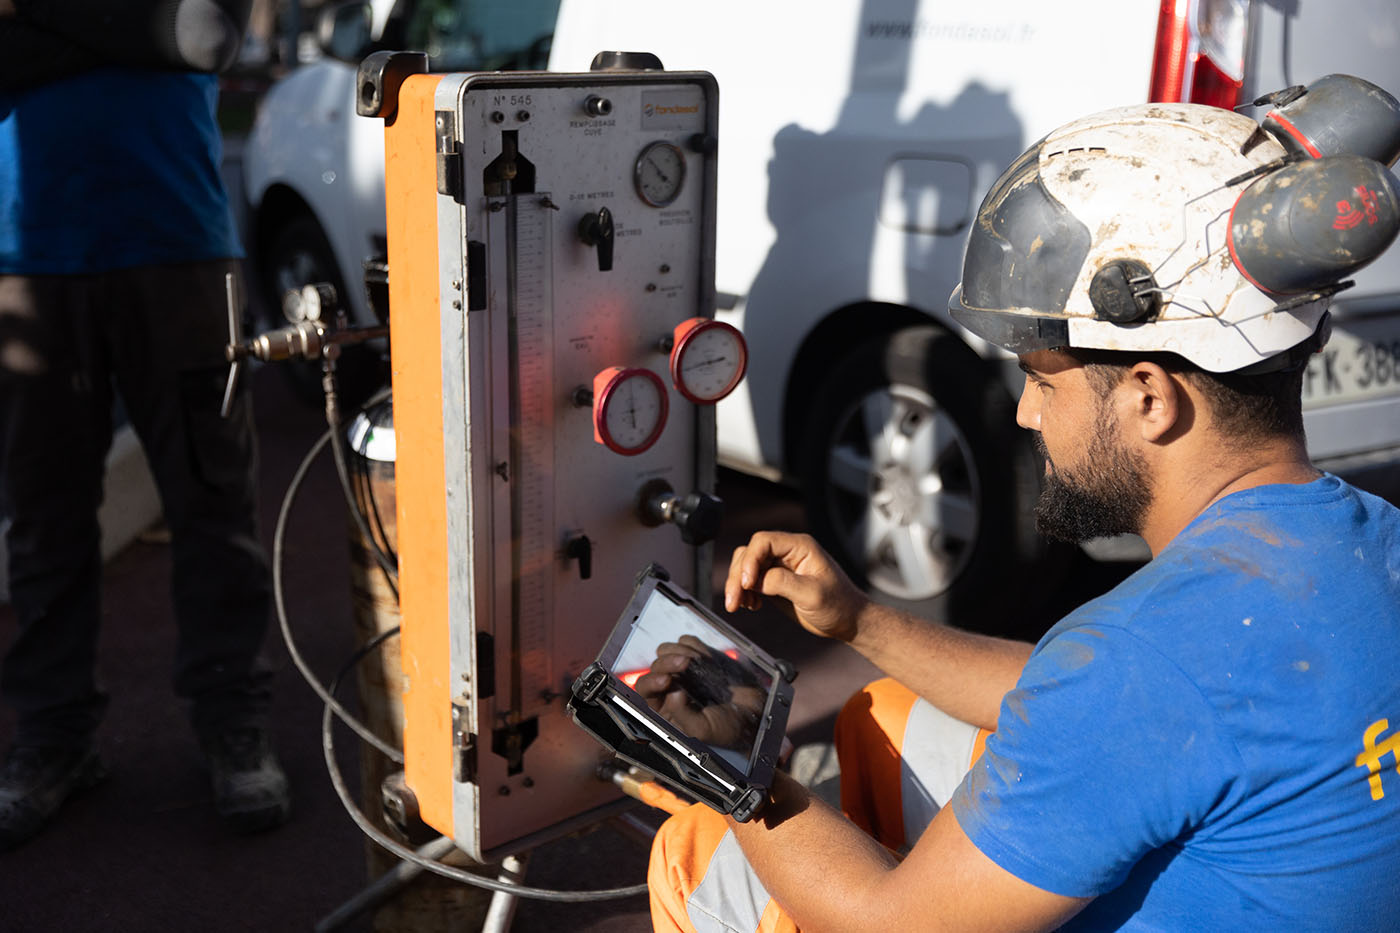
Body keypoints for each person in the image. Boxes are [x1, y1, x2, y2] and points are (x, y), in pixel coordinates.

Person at [643, 75, 1400, 931]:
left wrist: (738, 763)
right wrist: (859, 621)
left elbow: (893, 922)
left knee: (696, 855)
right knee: (887, 714)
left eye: (1042, 381)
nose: (1024, 412)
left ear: (1150, 395)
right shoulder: (1377, 545)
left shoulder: (1139, 659)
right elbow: (1076, 693)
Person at [0, 0, 289, 850]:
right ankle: (54, 737)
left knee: (213, 510)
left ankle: (233, 722)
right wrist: (136, 27)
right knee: (43, 518)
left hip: (180, 243)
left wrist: (39, 28)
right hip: (30, 256)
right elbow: (170, 31)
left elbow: (208, 31)